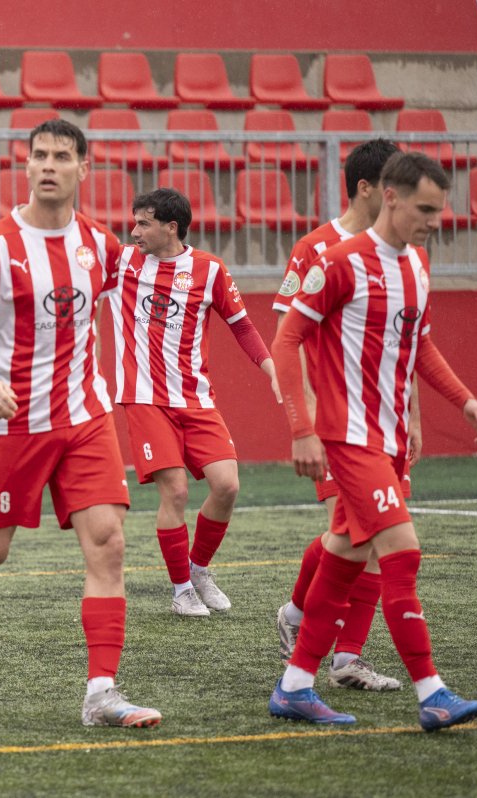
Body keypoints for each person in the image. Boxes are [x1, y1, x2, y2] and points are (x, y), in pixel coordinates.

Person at [0, 118, 161, 727]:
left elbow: (116, 308)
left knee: (108, 542)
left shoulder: (100, 245)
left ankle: (102, 693)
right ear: (26, 164)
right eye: (39, 155)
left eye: (62, 156)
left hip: (86, 418)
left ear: (83, 168)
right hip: (16, 425)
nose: (48, 165)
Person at [269, 151, 477, 729]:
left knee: (346, 554)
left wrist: (463, 399)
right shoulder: (338, 262)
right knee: (402, 551)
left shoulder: (417, 263)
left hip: (390, 438)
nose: (434, 221)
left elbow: (421, 345)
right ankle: (432, 692)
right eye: (425, 209)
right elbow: (286, 341)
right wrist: (302, 429)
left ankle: (294, 685)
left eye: (439, 211)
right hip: (349, 439)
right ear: (389, 196)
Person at [273, 139, 414, 692]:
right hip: (337, 422)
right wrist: (305, 416)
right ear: (367, 188)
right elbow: (287, 336)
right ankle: (333, 649)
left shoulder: (400, 252)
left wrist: (413, 416)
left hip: (386, 422)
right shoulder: (315, 248)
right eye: (397, 187)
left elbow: (405, 344)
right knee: (365, 534)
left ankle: (316, 632)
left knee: (360, 535)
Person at [103, 188, 279, 617]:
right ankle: (181, 590)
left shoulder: (210, 270)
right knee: (177, 491)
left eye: (143, 223)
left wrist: (273, 368)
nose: (134, 231)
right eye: (134, 222)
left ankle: (198, 570)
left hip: (196, 398)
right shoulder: (121, 263)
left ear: (171, 227)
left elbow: (242, 326)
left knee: (227, 485)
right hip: (144, 399)